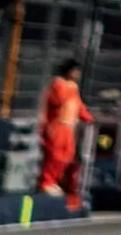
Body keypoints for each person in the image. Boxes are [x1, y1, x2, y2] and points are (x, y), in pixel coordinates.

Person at [36, 60, 89, 202]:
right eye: (75, 71)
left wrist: (87, 117)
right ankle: (46, 182)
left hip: (69, 127)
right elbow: (57, 100)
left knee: (67, 156)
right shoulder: (58, 83)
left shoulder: (73, 87)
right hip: (57, 125)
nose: (77, 74)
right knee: (54, 155)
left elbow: (78, 105)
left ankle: (55, 181)